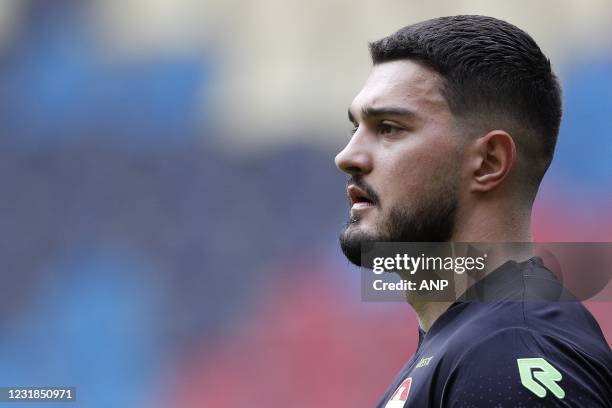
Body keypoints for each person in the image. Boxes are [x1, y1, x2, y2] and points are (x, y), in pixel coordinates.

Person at [335, 15, 612, 407]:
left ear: (488, 162)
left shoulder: (508, 356)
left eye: (389, 128)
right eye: (355, 129)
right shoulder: (472, 345)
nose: (347, 157)